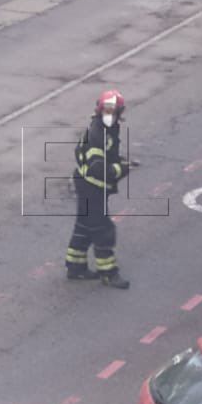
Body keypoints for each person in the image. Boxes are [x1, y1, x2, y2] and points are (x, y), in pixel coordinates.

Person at [66, 90, 131, 288]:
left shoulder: (103, 128)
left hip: (86, 185)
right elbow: (98, 168)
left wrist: (119, 161)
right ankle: (109, 273)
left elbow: (104, 156)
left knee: (85, 226)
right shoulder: (99, 133)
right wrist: (121, 169)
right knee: (103, 230)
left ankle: (76, 267)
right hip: (92, 188)